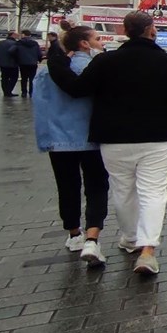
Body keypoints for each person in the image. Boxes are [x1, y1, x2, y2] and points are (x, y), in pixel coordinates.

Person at [47, 11, 167, 276]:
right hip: (159, 137)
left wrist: (55, 62)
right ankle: (147, 250)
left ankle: (129, 239)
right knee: (153, 193)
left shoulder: (106, 61)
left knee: (123, 190)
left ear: (125, 31)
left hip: (114, 138)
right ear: (152, 31)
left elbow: (77, 88)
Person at [33, 22, 110, 267]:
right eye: (98, 39)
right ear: (84, 44)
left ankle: (74, 233)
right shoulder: (97, 68)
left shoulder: (46, 71)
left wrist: (45, 139)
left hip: (59, 140)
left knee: (67, 186)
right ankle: (92, 237)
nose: (102, 43)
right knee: (97, 187)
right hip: (93, 139)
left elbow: (41, 108)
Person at [15, 30, 43, 98]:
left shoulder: (19, 43)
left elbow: (13, 51)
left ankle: (24, 92)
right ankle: (31, 92)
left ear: (23, 35)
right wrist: (39, 60)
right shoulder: (35, 43)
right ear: (30, 35)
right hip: (33, 63)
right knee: (32, 78)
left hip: (23, 63)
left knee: (24, 78)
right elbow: (39, 53)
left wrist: (17, 59)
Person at [0, 31, 20, 97]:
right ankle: (9, 91)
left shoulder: (1, 43)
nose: (18, 37)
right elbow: (16, 53)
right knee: (14, 78)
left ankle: (5, 92)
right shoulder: (15, 43)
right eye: (17, 35)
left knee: (4, 78)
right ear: (13, 35)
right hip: (13, 63)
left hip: (3, 64)